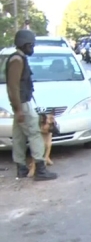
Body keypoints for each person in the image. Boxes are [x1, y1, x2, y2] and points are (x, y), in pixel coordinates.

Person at [6, 29, 57, 181]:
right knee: (35, 133)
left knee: (19, 136)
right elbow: (13, 86)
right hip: (22, 104)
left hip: (21, 103)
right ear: (24, 45)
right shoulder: (17, 60)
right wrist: (18, 109)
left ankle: (21, 167)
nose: (32, 49)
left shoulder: (19, 58)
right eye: (31, 45)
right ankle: (40, 170)